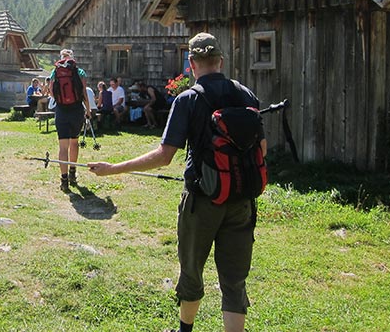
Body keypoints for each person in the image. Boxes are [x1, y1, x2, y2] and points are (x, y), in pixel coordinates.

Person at [89, 33, 264, 332]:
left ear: (192, 64)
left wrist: (113, 169)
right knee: (234, 281)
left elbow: (164, 156)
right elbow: (261, 151)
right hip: (242, 201)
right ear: (220, 61)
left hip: (202, 201)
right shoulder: (246, 95)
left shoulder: (188, 99)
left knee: (192, 272)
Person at [50, 49, 90, 192]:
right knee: (74, 142)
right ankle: (73, 172)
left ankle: (64, 179)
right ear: (72, 58)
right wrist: (88, 110)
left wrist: (61, 101)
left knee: (62, 147)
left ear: (61, 58)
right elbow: (84, 92)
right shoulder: (79, 72)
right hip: (76, 110)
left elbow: (51, 91)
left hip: (61, 111)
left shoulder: (55, 72)